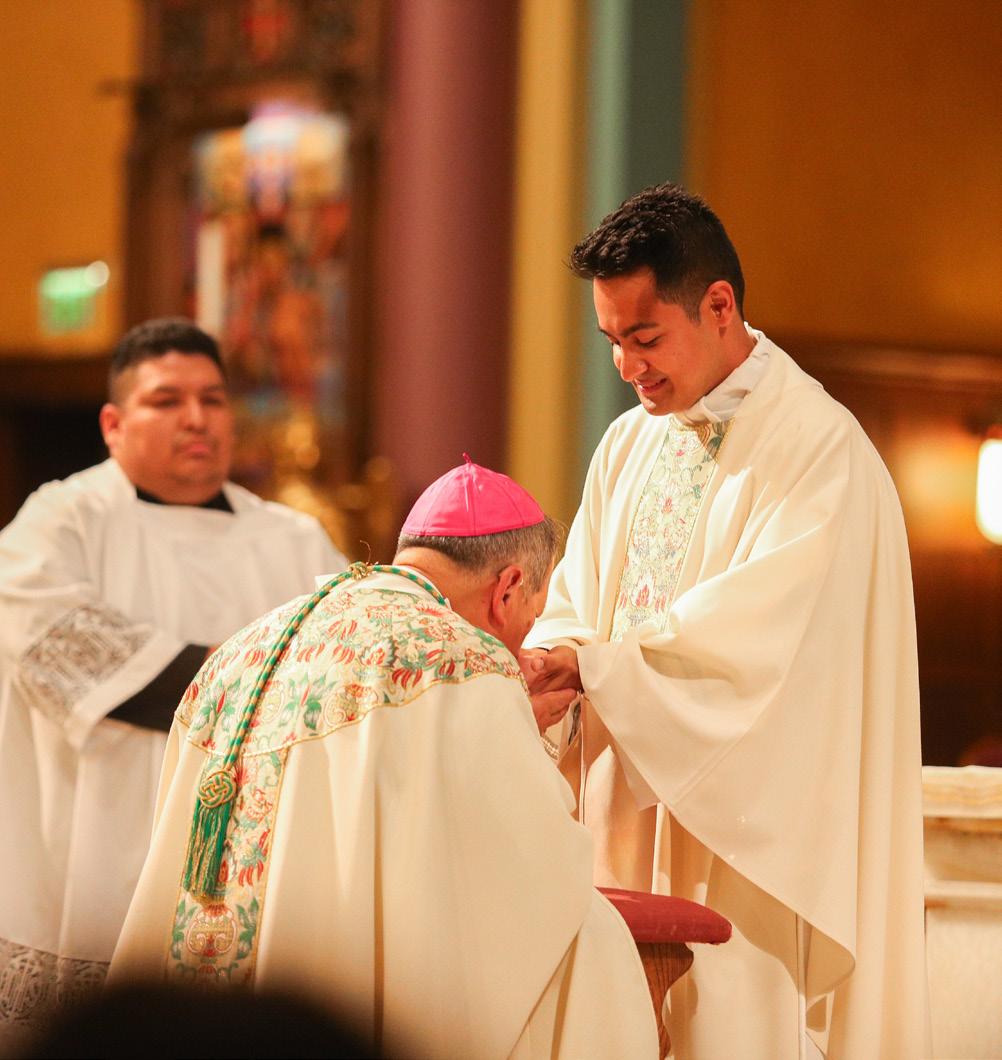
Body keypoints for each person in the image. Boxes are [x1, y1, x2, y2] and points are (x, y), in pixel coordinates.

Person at [521, 183, 929, 1059]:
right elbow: (579, 600)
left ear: (718, 306)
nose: (627, 368)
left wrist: (603, 669)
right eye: (612, 342)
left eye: (645, 338)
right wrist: (556, 656)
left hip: (747, 849)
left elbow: (769, 647)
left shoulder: (819, 450)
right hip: (622, 823)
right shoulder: (629, 445)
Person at [109, 458, 658, 1060]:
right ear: (506, 589)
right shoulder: (463, 658)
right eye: (529, 619)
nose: (520, 644)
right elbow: (531, 867)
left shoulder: (247, 645)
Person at [0, 318, 346, 1046]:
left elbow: (349, 666)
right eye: (166, 400)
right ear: (113, 424)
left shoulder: (292, 539)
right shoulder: (60, 521)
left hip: (253, 861)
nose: (196, 418)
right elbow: (64, 648)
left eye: (213, 399)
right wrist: (261, 679)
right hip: (93, 844)